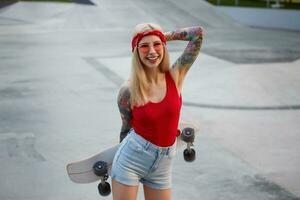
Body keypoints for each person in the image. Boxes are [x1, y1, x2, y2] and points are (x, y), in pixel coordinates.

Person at [111, 23, 203, 200]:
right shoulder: (128, 91)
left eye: (157, 44)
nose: (152, 51)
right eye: (144, 46)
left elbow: (197, 34)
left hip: (163, 165)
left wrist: (161, 35)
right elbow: (125, 130)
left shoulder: (176, 75)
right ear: (136, 51)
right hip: (131, 160)